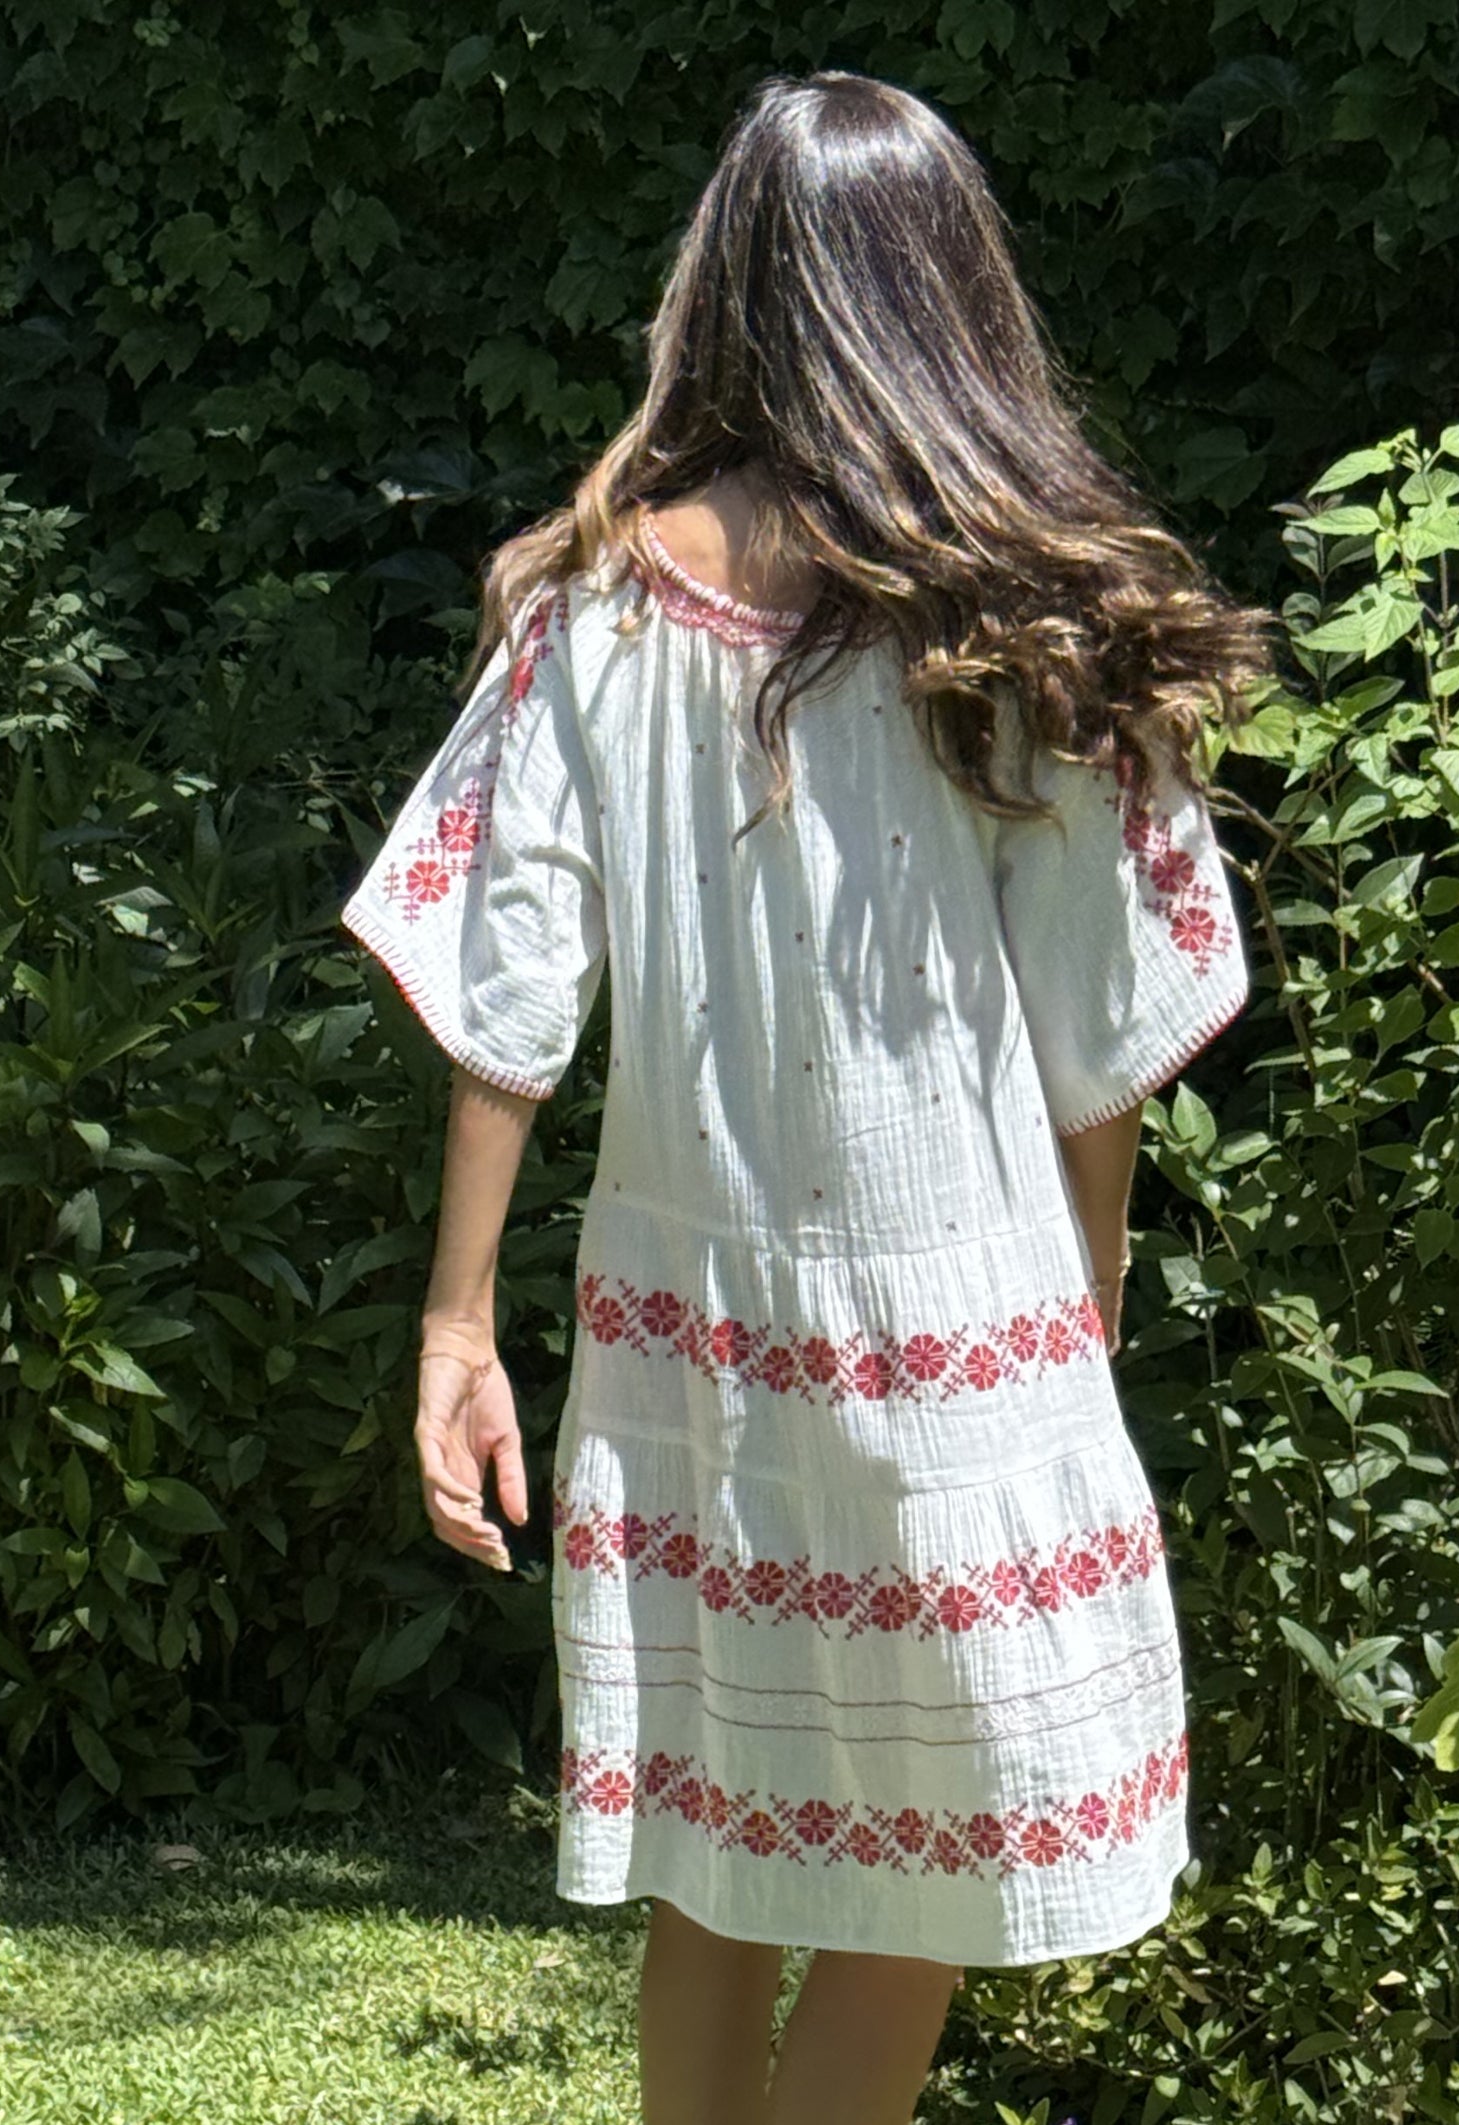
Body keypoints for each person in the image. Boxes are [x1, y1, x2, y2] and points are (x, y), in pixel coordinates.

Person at [341, 67, 1277, 2125]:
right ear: (952, 291)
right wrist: (1087, 1302)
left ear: (729, 286)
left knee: (720, 1833)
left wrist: (453, 1318)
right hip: (958, 1316)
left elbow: (501, 992)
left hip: (690, 1334)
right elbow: (1100, 1031)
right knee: (919, 1870)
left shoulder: (593, 603)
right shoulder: (1028, 612)